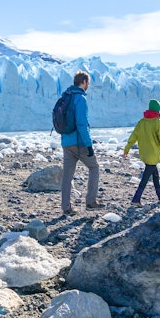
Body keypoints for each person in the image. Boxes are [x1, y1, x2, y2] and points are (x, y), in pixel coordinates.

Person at [59, 70, 101, 215]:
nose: (88, 85)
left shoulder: (66, 96)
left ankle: (66, 207)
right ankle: (91, 201)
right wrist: (88, 145)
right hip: (79, 143)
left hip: (66, 142)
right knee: (94, 167)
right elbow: (82, 124)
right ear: (83, 82)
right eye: (87, 83)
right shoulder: (80, 99)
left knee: (67, 175)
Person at [123, 99, 160, 204]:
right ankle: (136, 198)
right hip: (153, 153)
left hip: (144, 153)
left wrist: (127, 148)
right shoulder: (158, 122)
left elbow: (134, 136)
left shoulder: (142, 122)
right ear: (158, 110)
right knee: (146, 175)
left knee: (154, 172)